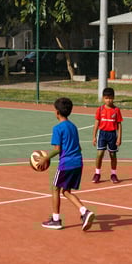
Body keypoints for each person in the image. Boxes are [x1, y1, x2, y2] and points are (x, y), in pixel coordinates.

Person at [37, 97, 95, 231]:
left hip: (66, 163)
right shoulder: (73, 127)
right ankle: (84, 212)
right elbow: (79, 147)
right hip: (78, 162)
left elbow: (57, 149)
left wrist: (45, 158)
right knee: (66, 191)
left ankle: (56, 220)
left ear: (57, 112)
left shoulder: (58, 128)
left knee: (55, 189)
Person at [92, 87, 123, 184]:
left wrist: (119, 137)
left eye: (110, 98)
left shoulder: (116, 110)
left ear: (113, 98)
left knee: (113, 154)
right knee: (100, 154)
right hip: (102, 134)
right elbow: (96, 123)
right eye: (106, 98)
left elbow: (119, 124)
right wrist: (94, 136)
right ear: (103, 98)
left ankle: (113, 174)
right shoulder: (100, 109)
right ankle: (97, 173)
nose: (108, 100)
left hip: (112, 134)